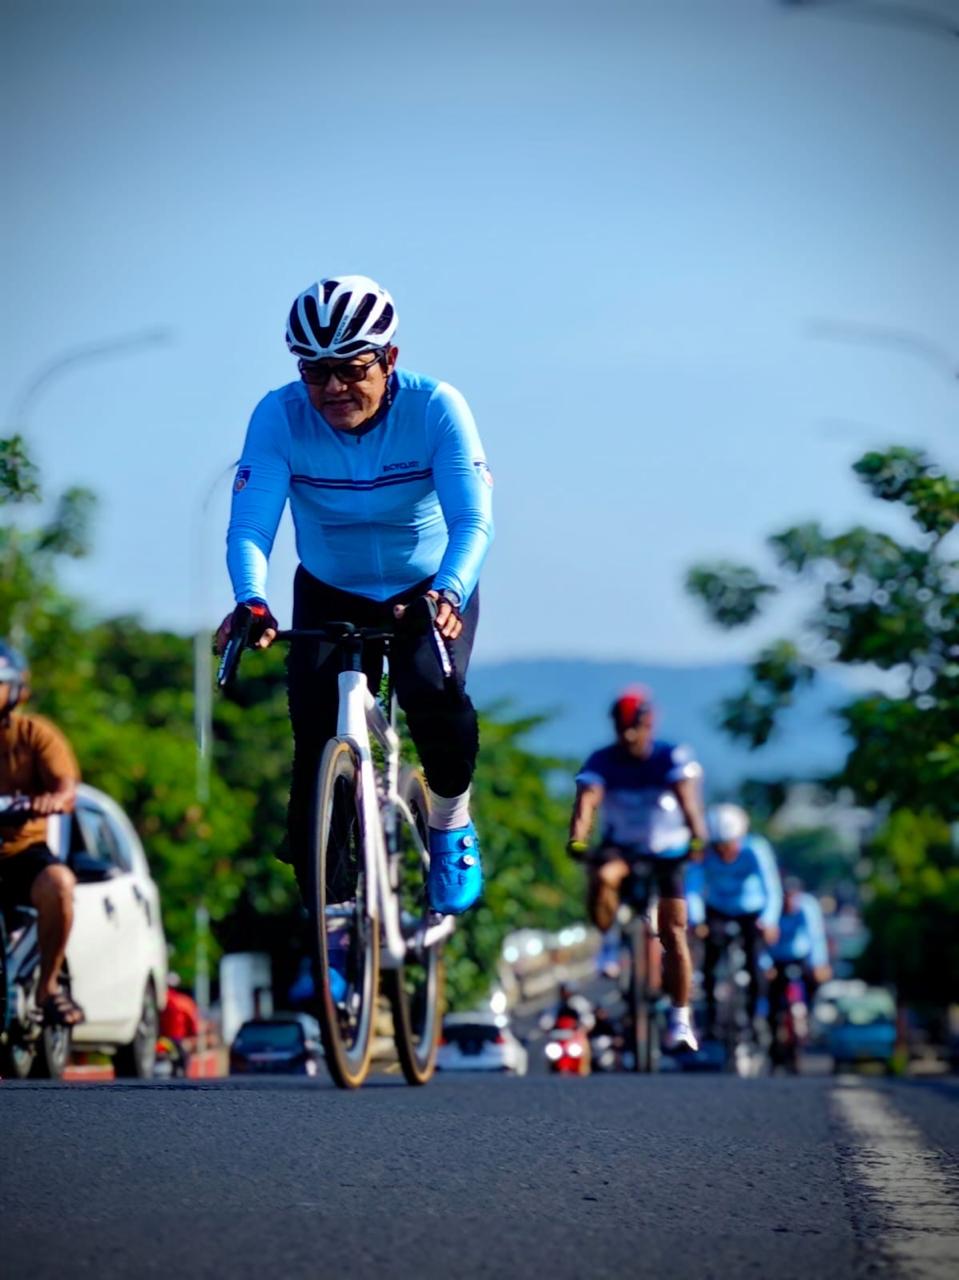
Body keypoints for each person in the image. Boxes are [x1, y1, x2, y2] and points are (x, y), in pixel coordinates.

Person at [215, 275, 494, 917]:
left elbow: (473, 521)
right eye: (316, 373)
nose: (334, 389)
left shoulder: (436, 408)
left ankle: (450, 823)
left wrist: (448, 590)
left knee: (431, 691)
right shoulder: (278, 416)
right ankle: (334, 916)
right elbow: (251, 525)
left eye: (350, 369)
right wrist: (251, 598)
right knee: (313, 745)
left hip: (428, 588)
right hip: (329, 589)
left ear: (389, 358)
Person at [566, 686, 708, 1053]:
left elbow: (688, 801)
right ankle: (610, 944)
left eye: (634, 728)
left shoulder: (671, 756)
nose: (628, 736)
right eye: (621, 728)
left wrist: (697, 838)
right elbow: (587, 802)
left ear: (649, 726)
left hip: (668, 853)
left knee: (674, 931)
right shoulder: (602, 759)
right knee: (603, 876)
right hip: (624, 851)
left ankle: (680, 1019)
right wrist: (578, 839)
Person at [0, 642, 84, 1026]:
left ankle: (47, 987)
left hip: (21, 853)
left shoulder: (36, 735)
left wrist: (54, 800)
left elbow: (67, 788)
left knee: (60, 884)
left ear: (17, 688)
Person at [685, 803, 783, 1040]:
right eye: (719, 846)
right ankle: (710, 1015)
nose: (725, 852)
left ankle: (754, 1017)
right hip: (717, 908)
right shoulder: (704, 854)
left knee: (755, 962)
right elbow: (693, 888)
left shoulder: (756, 850)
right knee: (709, 960)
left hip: (752, 910)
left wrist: (769, 920)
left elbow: (772, 887)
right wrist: (697, 920)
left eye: (729, 845)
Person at [766, 876, 832, 1023]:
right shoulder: (773, 907)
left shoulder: (807, 907)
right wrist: (765, 964)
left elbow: (816, 936)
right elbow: (763, 939)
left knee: (813, 983)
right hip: (776, 958)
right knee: (770, 992)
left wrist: (818, 963)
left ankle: (808, 1015)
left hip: (801, 957)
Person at [158, 972, 201, 1074]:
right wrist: (194, 1034)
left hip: (159, 1038)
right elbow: (192, 1021)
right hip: (177, 1039)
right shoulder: (184, 1002)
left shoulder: (159, 1000)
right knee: (184, 1060)